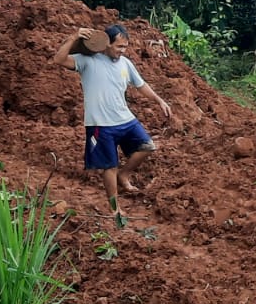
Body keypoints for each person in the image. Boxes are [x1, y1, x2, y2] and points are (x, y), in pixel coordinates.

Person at [52, 24, 172, 216]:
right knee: (110, 166)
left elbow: (140, 85)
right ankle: (115, 209)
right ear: (107, 43)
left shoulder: (125, 63)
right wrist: (74, 37)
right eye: (119, 46)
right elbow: (58, 59)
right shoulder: (88, 60)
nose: (122, 51)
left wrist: (160, 101)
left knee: (147, 146)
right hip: (100, 124)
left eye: (125, 47)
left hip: (125, 119)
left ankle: (124, 175)